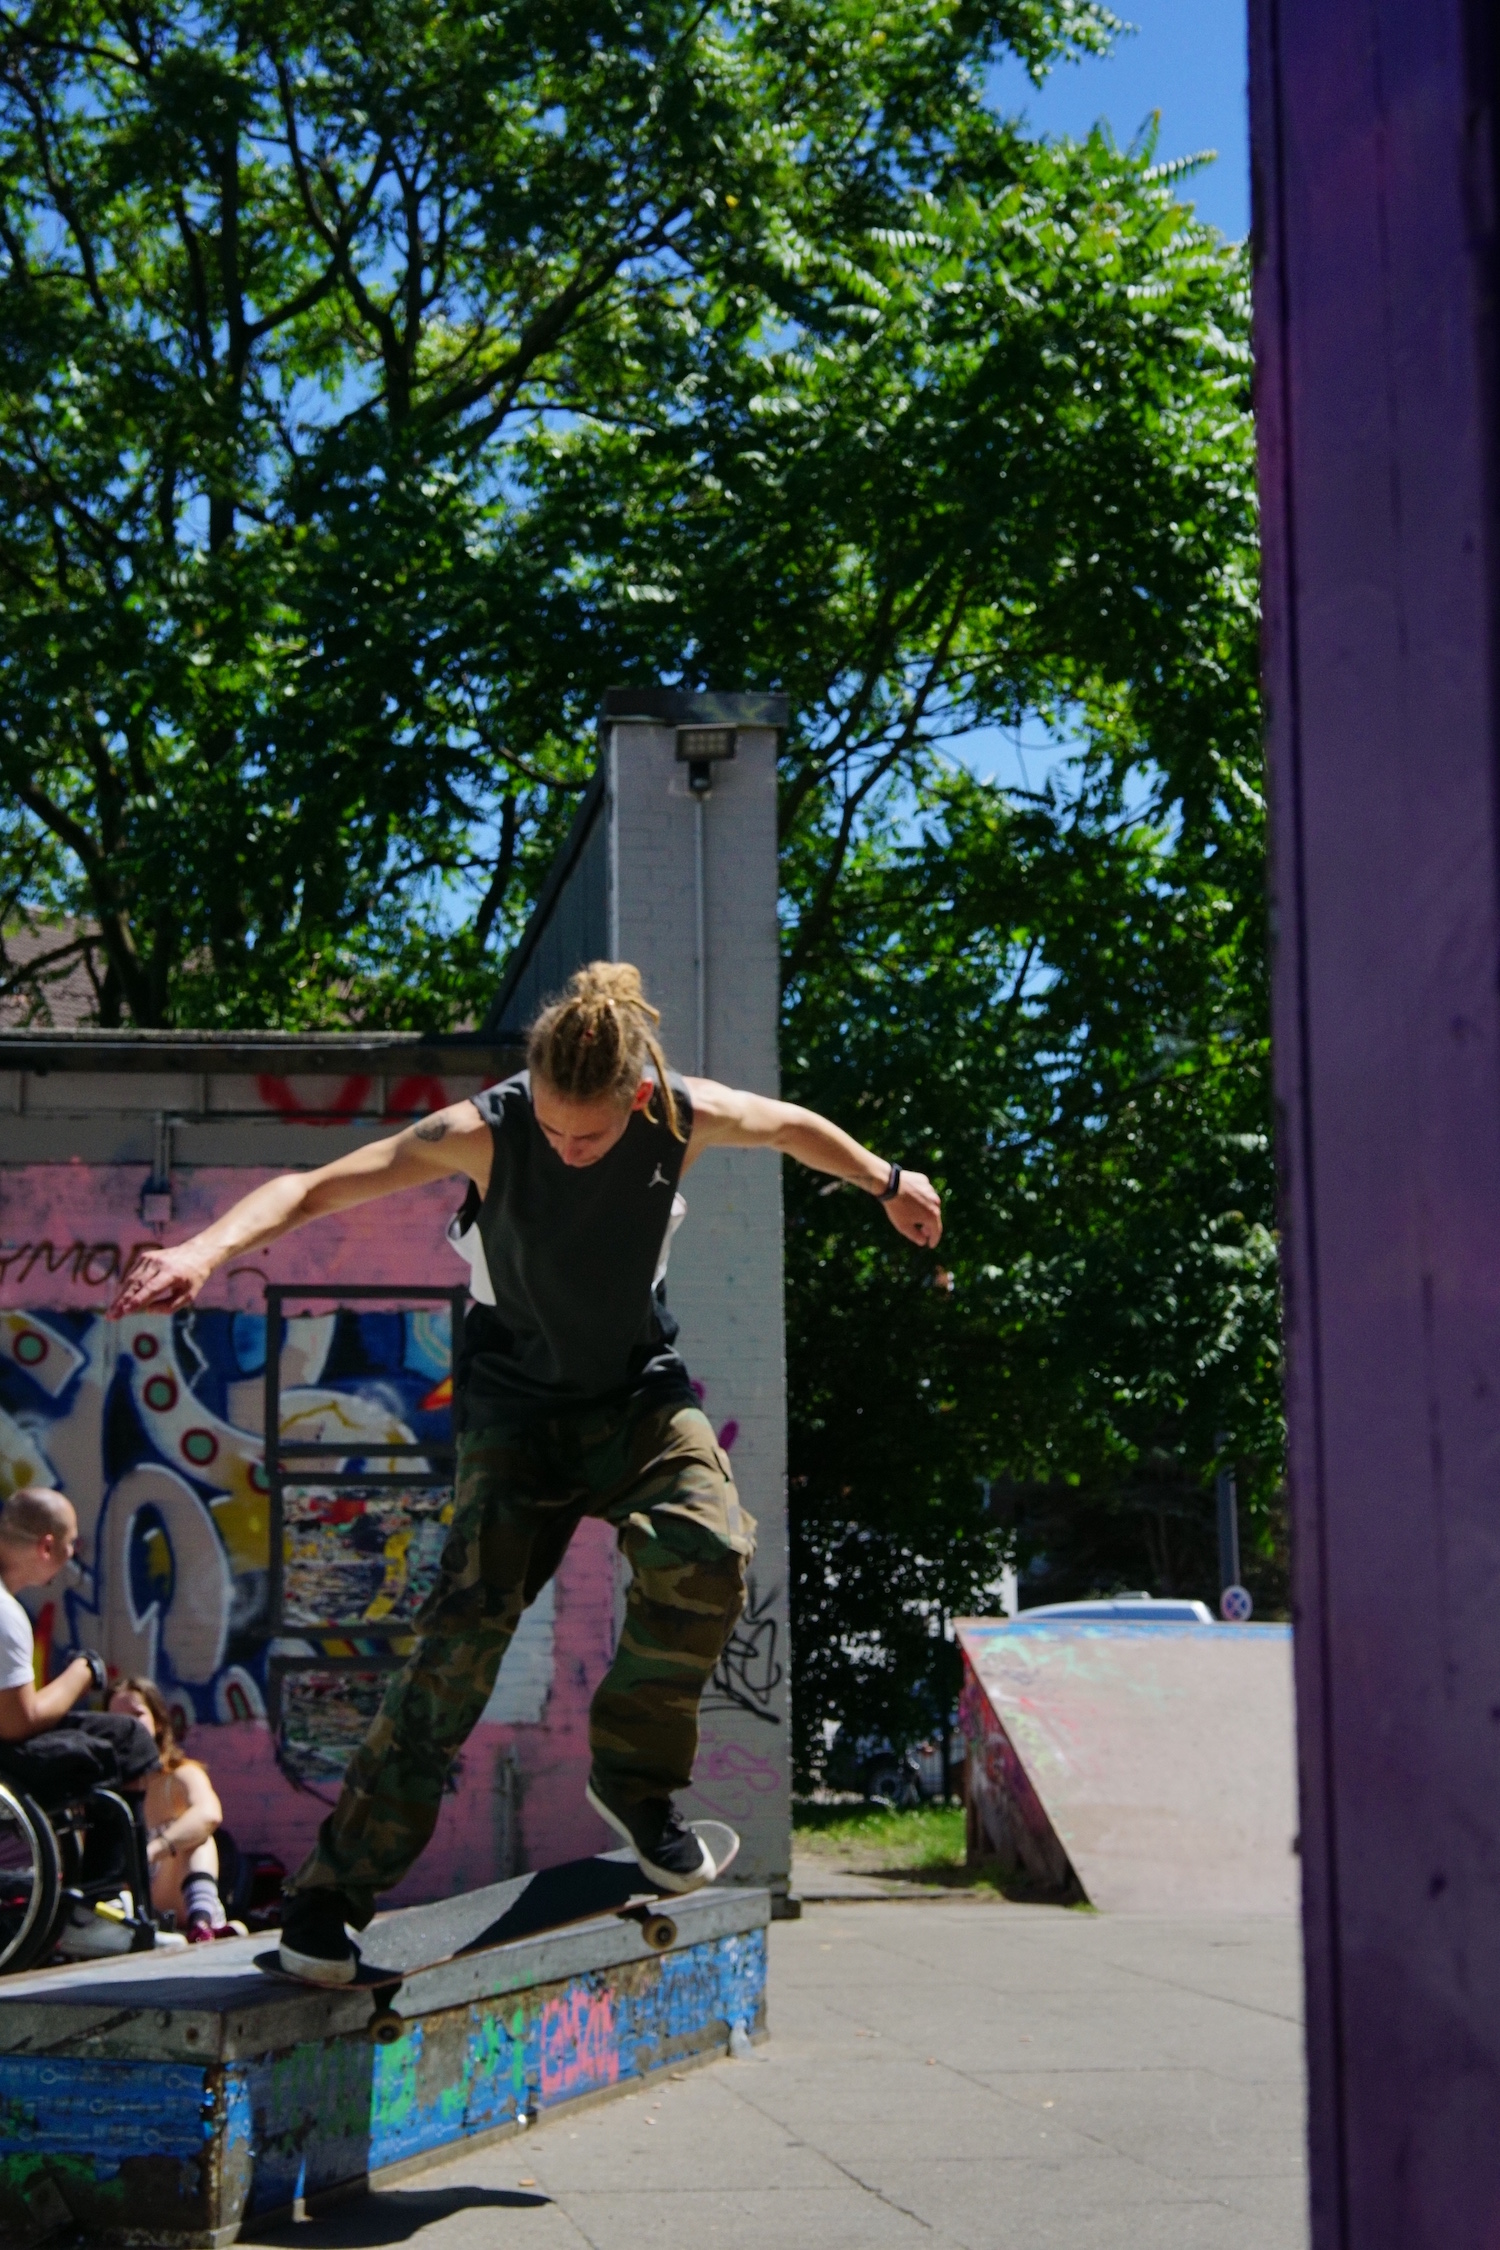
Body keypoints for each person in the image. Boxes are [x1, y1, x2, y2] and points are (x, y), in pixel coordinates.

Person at [111, 960, 943, 1984]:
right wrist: (203, 1247)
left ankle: (634, 1787)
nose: (564, 1147)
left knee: (711, 1552)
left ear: (637, 1098)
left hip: (638, 1396)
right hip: (515, 1413)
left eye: (586, 1136)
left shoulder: (681, 1116)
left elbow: (789, 1126)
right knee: (457, 1649)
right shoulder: (485, 1129)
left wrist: (888, 1181)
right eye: (551, 1128)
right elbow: (317, 1185)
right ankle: (330, 1901)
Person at [107, 1677, 228, 1942]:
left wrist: (152, 1850)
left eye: (137, 1715)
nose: (126, 1726)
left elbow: (209, 1814)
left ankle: (202, 1923)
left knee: (198, 1836)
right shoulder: (103, 1790)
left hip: (177, 1891)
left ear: (158, 1723)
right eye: (116, 1718)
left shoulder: (181, 1774)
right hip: (129, 1904)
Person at [0, 1486, 107, 1741]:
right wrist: (84, 1672)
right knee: (125, 1734)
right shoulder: (5, 1615)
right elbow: (19, 1723)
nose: (72, 1553)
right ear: (46, 1548)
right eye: (70, 1543)